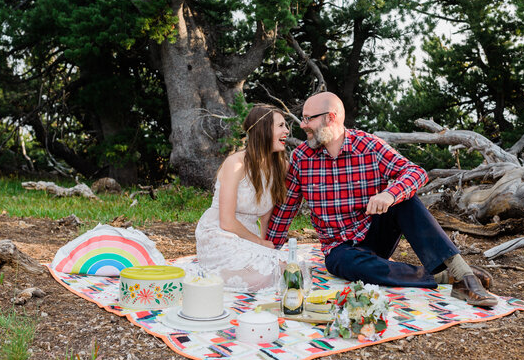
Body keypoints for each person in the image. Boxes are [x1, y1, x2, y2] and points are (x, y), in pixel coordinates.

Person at [266, 92, 498, 307]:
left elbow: (417, 173)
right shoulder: (301, 157)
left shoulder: (369, 146)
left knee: (406, 200)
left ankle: (464, 275)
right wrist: (266, 250)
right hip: (340, 249)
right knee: (345, 265)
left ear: (330, 118)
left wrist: (390, 193)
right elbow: (286, 208)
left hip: (374, 234)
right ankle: (443, 277)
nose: (302, 125)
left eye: (308, 119)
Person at [195, 105, 290, 292]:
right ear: (263, 130)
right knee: (261, 277)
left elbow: (265, 218)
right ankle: (209, 274)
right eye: (280, 126)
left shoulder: (281, 166)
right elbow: (227, 222)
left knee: (291, 268)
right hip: (220, 233)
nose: (286, 131)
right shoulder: (236, 164)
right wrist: (260, 244)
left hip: (250, 237)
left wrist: (266, 251)